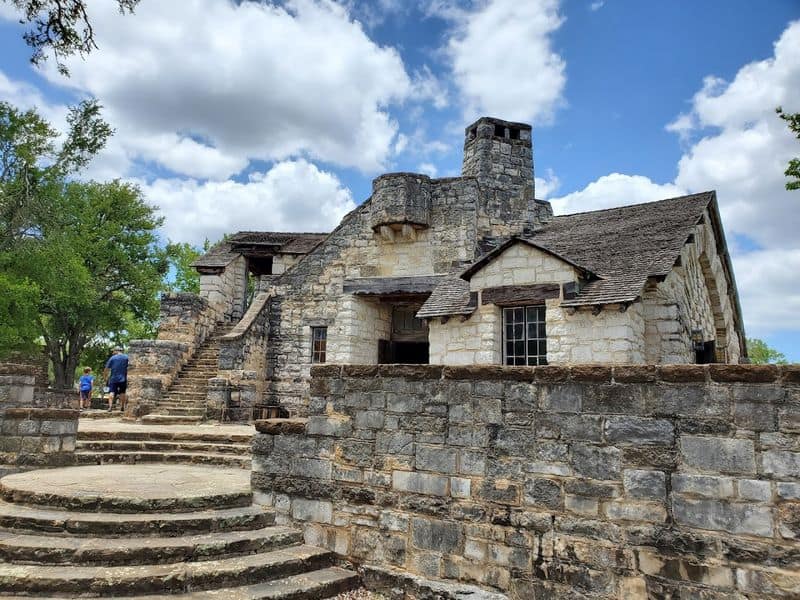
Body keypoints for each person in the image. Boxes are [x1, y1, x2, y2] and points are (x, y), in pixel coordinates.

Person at [104, 347, 129, 413]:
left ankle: (110, 407)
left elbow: (106, 368)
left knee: (111, 392)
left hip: (113, 378)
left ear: (116, 351)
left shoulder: (112, 358)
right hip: (123, 378)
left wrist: (105, 377)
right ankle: (122, 407)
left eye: (113, 351)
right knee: (122, 392)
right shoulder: (126, 357)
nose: (112, 353)